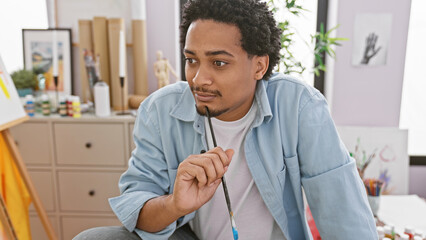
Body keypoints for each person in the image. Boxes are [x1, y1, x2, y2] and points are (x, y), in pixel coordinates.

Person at [74, 0, 377, 239]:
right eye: (191, 60)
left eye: (218, 63)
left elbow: (342, 211)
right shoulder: (159, 110)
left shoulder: (299, 106)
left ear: (259, 66)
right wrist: (175, 204)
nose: (198, 78)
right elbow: (137, 207)